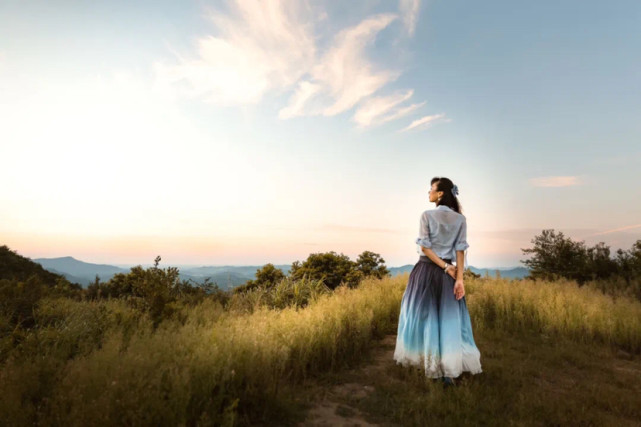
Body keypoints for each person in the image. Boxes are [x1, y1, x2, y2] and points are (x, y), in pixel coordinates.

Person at [393, 177, 482, 387]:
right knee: (447, 320)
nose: (428, 193)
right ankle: (447, 370)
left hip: (427, 270)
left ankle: (426, 362)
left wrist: (444, 267)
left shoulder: (427, 215)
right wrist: (459, 278)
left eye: (431, 189)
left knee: (424, 317)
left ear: (440, 193)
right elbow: (461, 250)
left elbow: (424, 248)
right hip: (448, 274)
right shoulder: (461, 219)